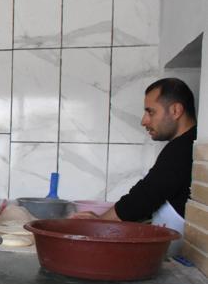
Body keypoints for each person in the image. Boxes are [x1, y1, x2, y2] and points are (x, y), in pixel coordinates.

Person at [72, 78, 197, 237]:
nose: (143, 121)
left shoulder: (183, 148)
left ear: (175, 111)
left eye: (150, 112)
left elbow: (145, 197)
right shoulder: (187, 143)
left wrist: (102, 223)